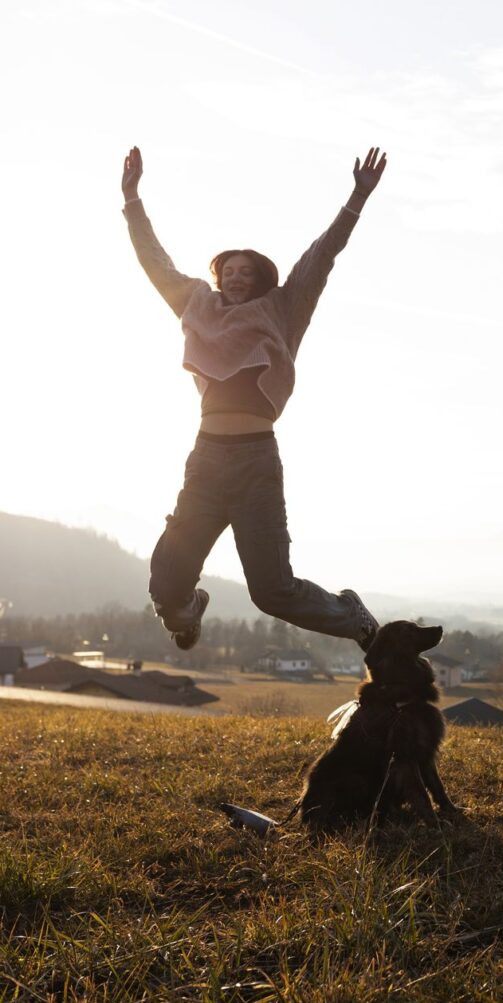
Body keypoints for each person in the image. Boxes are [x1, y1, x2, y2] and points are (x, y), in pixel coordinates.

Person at [121, 145, 385, 652]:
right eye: (230, 269)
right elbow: (155, 262)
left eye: (248, 270)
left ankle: (353, 617)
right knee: (165, 581)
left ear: (263, 278)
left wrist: (356, 198)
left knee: (272, 591)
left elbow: (321, 255)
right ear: (219, 276)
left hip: (256, 463)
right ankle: (186, 612)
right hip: (207, 460)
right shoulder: (197, 304)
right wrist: (132, 199)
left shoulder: (284, 308)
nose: (237, 275)